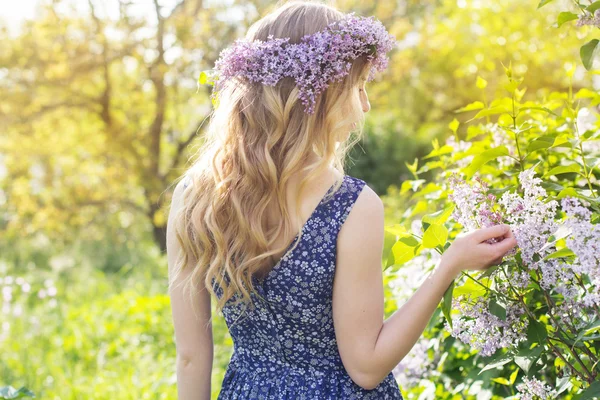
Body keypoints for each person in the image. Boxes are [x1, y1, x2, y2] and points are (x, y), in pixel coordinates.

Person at [166, 1, 519, 399]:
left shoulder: (194, 198)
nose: (365, 105)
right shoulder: (351, 205)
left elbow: (191, 358)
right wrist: (448, 267)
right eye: (359, 87)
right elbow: (366, 367)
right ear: (320, 94)